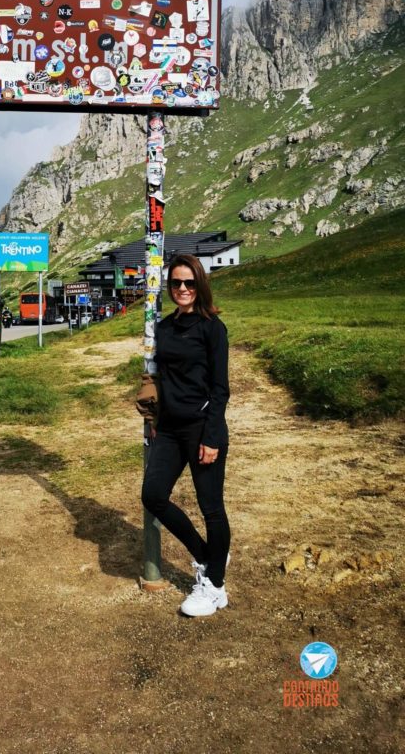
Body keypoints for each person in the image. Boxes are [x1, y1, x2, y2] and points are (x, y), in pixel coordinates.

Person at [138, 254, 231, 617]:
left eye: (189, 283)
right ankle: (209, 558)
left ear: (200, 286)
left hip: (203, 429)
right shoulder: (162, 328)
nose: (182, 289)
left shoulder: (212, 328)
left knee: (211, 508)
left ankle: (215, 587)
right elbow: (161, 378)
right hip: (170, 430)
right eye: (176, 283)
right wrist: (155, 416)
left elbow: (220, 389)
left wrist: (211, 437)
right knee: (153, 495)